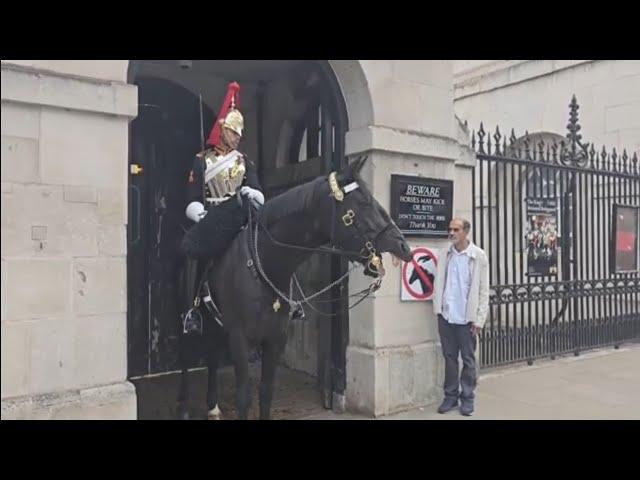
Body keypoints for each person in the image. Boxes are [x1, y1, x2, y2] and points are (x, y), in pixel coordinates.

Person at [179, 81, 264, 335]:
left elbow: (259, 191)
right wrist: (199, 214)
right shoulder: (202, 161)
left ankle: (286, 302)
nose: (237, 137)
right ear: (222, 130)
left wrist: (254, 193)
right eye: (233, 132)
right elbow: (191, 197)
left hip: (240, 217)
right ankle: (192, 309)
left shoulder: (244, 162)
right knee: (193, 255)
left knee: (268, 248)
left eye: (240, 133)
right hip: (212, 218)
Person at [432, 217, 489, 416]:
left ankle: (467, 398)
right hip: (446, 316)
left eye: (456, 229)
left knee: (468, 359)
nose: (452, 233)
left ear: (466, 232)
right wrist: (438, 309)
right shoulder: (445, 254)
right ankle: (450, 397)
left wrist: (479, 319)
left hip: (467, 319)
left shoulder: (478, 256)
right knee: (449, 359)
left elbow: (483, 291)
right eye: (450, 229)